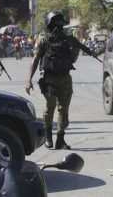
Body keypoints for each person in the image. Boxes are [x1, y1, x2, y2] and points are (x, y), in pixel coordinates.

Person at [25, 11, 82, 150]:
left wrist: (76, 48)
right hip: (49, 78)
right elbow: (36, 58)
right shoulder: (44, 38)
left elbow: (72, 60)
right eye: (56, 21)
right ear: (50, 22)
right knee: (50, 106)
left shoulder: (67, 39)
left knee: (64, 110)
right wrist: (29, 79)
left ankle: (60, 139)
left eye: (61, 22)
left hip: (65, 78)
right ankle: (48, 137)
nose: (60, 24)